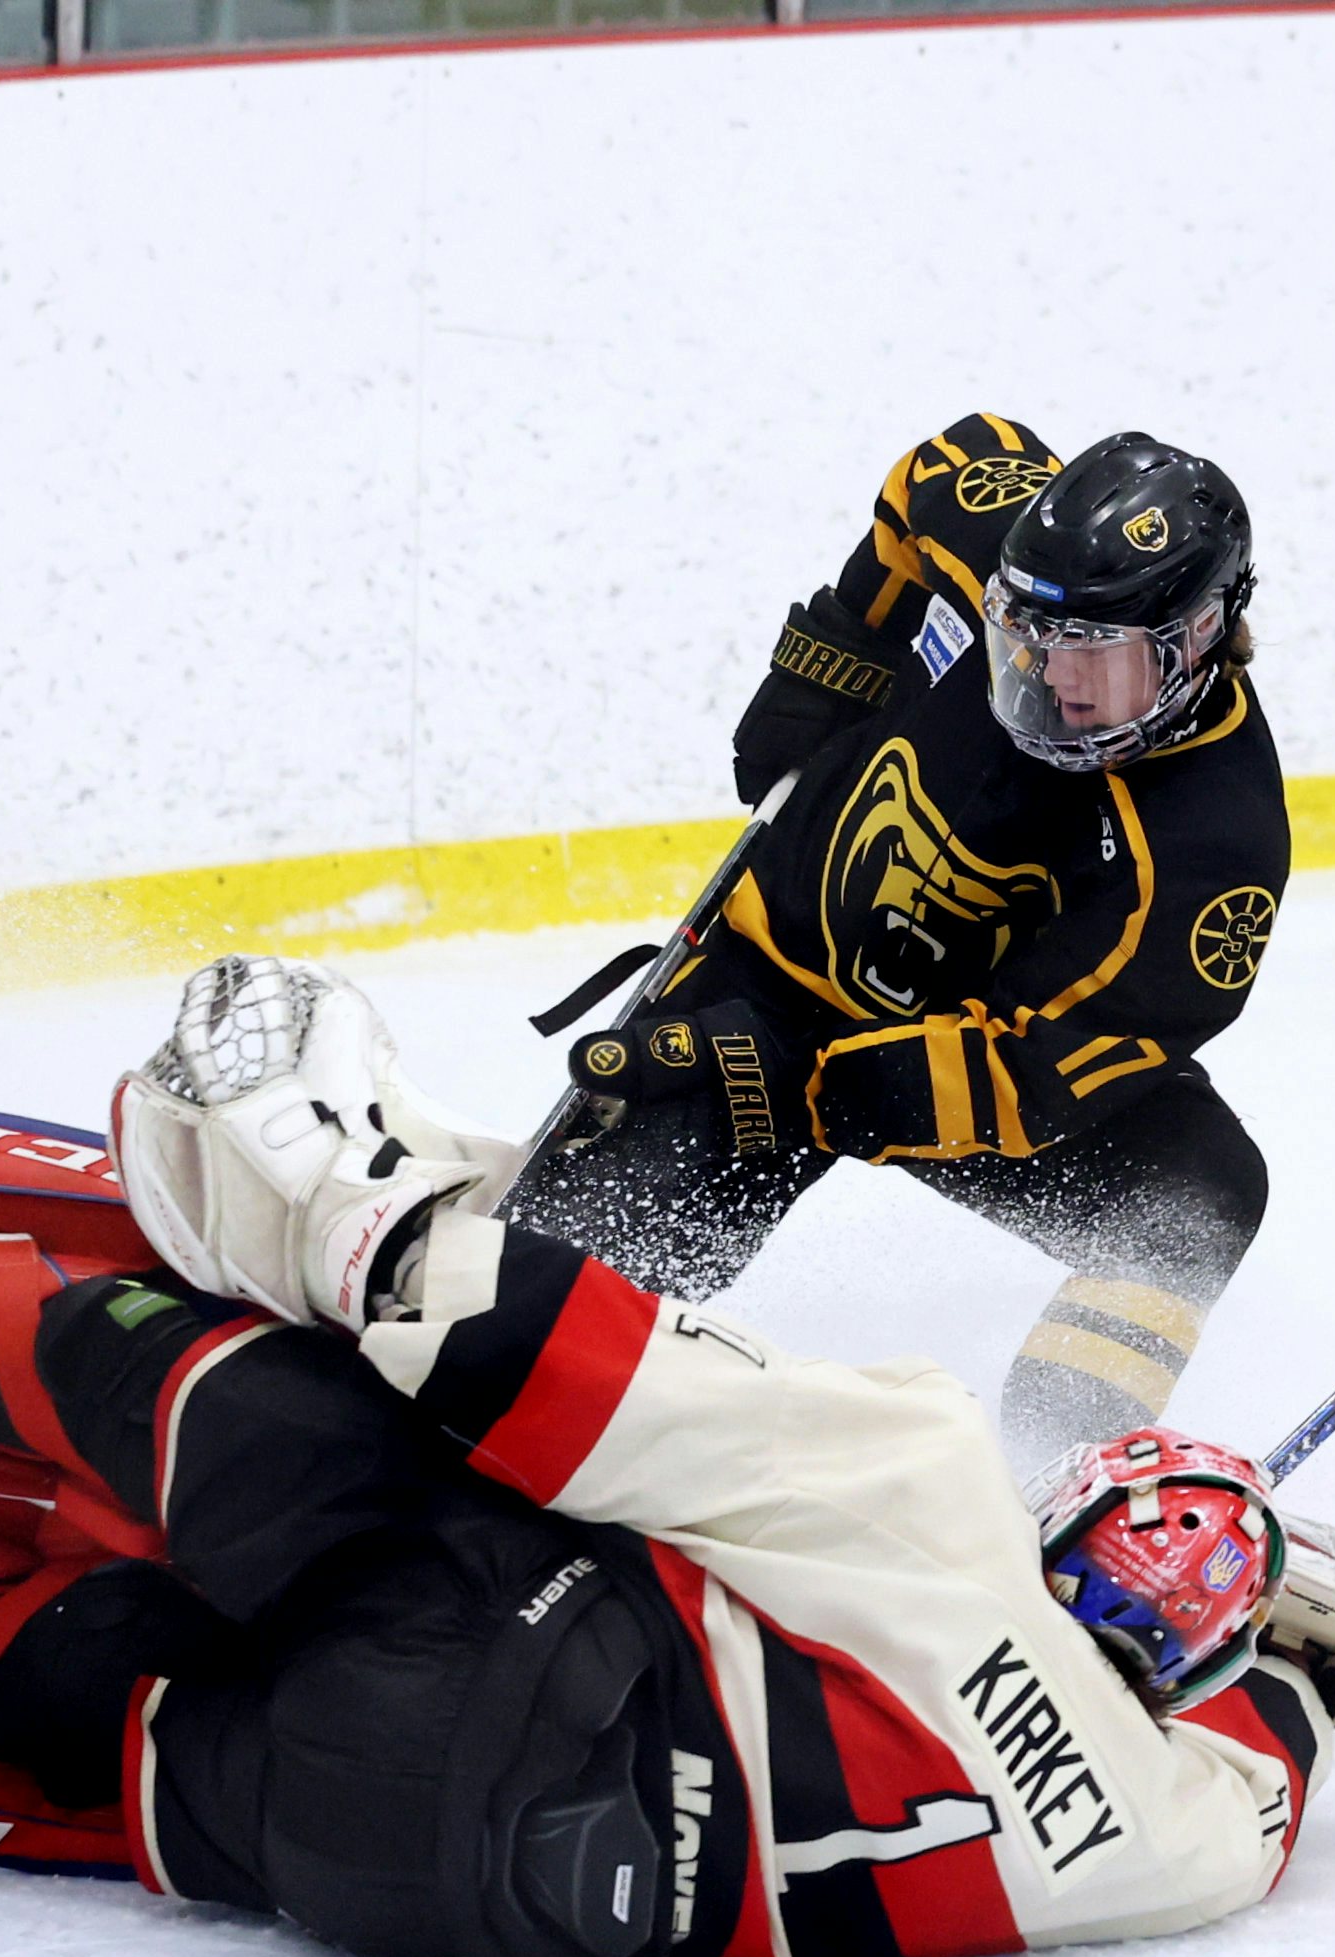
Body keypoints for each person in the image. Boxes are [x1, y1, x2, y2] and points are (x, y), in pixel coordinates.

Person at [0, 961, 1335, 1957]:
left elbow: (577, 1367)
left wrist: (354, 1192)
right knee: (137, 1748)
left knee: (279, 1396)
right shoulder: (1176, 1842)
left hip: (476, 1646)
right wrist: (1297, 1632)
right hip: (486, 1891)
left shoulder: (930, 1493)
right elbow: (1287, 1740)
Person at [504, 413, 1290, 1476]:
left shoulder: (1212, 850)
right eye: (1022, 640)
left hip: (939, 1051)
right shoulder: (1010, 539)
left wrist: (823, 1087)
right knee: (531, 1318)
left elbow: (1039, 1063)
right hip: (764, 980)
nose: (1045, 685)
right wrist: (840, 647)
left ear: (1193, 641)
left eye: (1092, 662)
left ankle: (1040, 1481)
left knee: (1197, 1196)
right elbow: (950, 458)